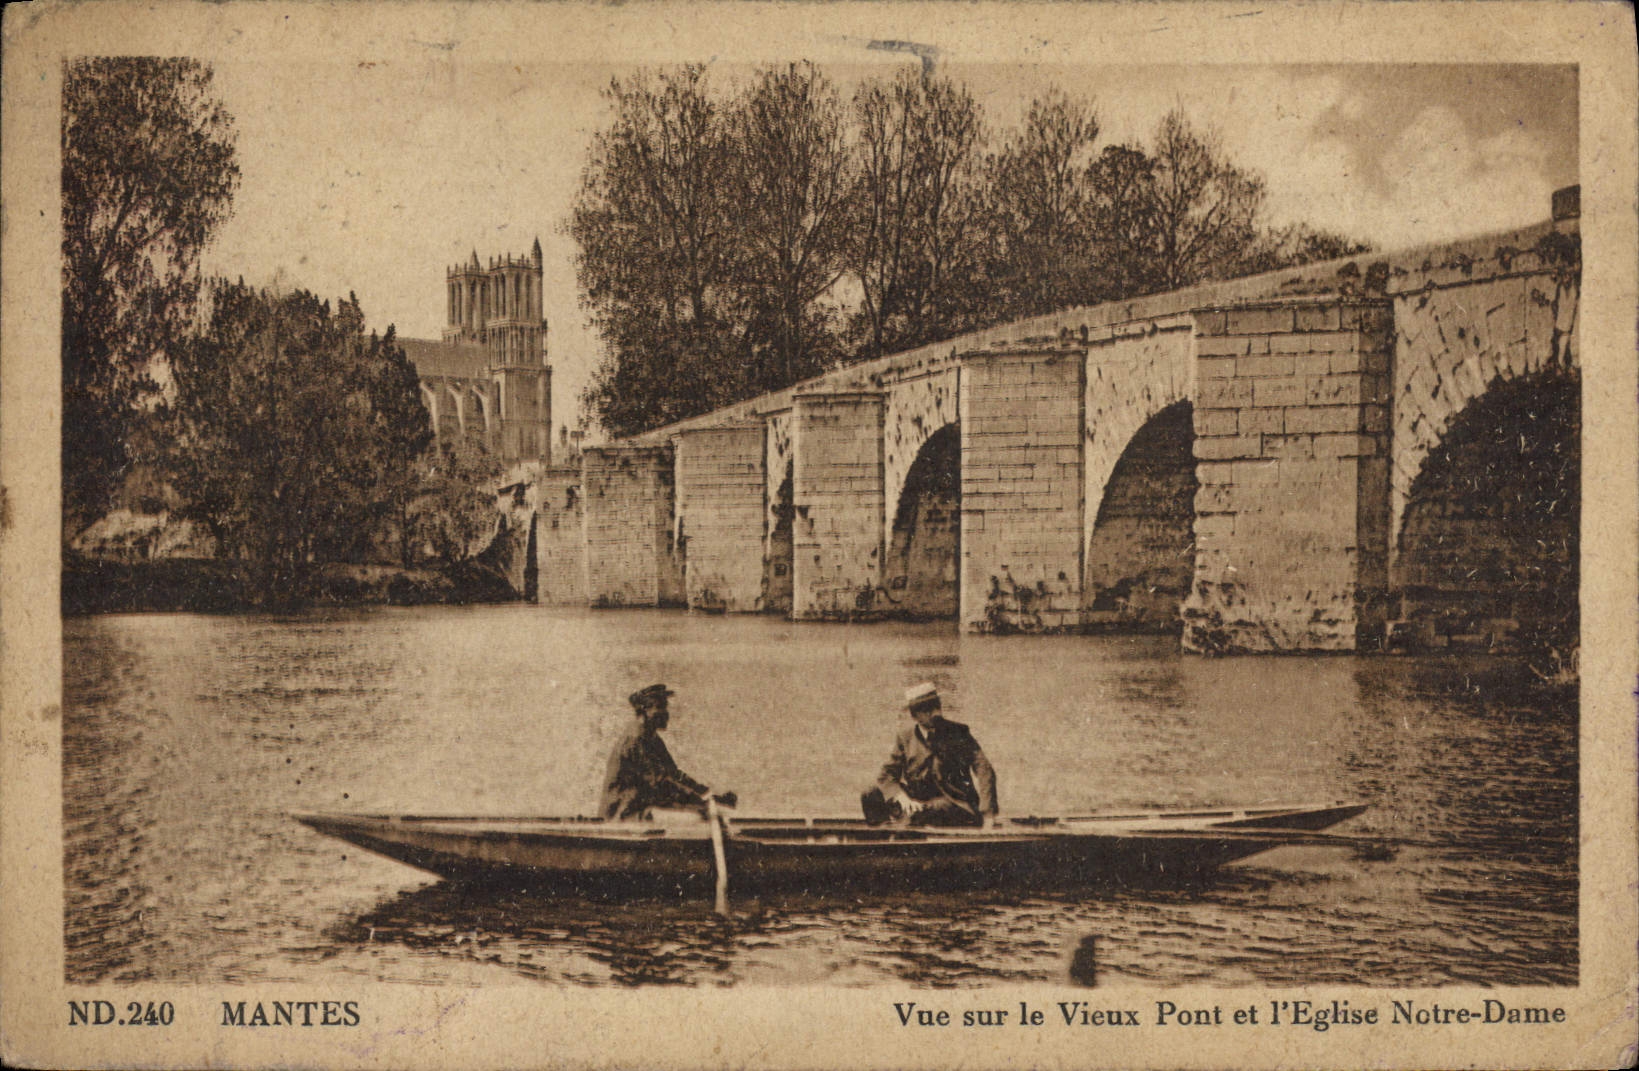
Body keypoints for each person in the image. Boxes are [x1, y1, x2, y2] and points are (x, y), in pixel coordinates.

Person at [861, 682, 999, 828]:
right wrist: (902, 797)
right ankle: (886, 838)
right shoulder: (905, 737)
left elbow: (984, 770)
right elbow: (887, 775)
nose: (936, 713)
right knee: (870, 793)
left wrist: (988, 813)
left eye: (937, 706)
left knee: (934, 808)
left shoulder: (959, 733)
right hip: (916, 801)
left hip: (953, 803)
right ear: (915, 716)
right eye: (927, 710)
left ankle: (905, 823)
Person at [600, 683, 735, 820]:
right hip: (623, 813)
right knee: (697, 817)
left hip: (639, 807)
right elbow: (660, 783)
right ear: (645, 711)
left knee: (705, 813)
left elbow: (674, 774)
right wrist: (702, 800)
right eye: (660, 707)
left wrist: (707, 793)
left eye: (665, 707)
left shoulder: (652, 738)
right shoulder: (635, 739)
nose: (666, 713)